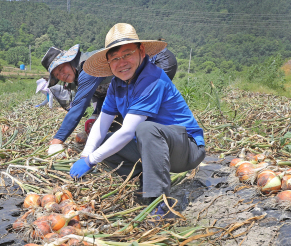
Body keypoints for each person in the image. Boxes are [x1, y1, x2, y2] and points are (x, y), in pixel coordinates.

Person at [69, 23, 205, 218]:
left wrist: (91, 161)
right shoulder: (117, 84)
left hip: (187, 149)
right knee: (106, 140)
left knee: (145, 129)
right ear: (109, 63)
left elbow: (128, 131)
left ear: (141, 51)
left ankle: (161, 203)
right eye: (115, 58)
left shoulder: (152, 78)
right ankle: (145, 182)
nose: (121, 62)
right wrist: (86, 155)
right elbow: (102, 122)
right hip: (157, 148)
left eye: (127, 54)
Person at [41, 45, 111, 157]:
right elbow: (101, 93)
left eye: (61, 69)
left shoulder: (89, 67)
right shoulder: (78, 71)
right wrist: (96, 113)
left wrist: (57, 140)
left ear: (70, 60)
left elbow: (78, 106)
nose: (62, 75)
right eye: (57, 75)